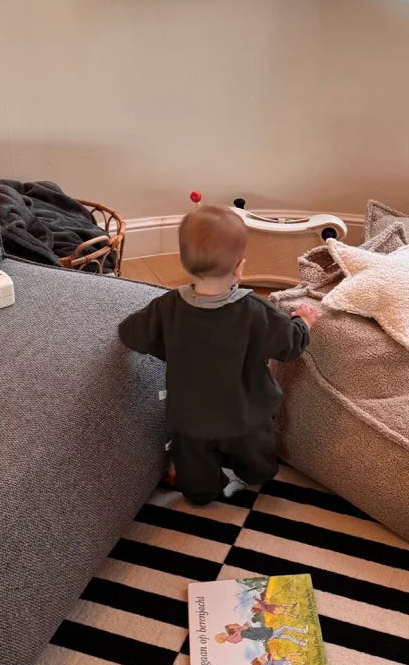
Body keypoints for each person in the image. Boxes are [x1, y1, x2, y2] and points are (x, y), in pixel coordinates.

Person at [118, 204, 318, 504]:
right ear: (240, 266)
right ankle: (254, 475)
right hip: (247, 416)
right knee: (257, 460)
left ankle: (201, 490)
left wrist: (170, 350)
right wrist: (303, 321)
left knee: (194, 472)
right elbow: (290, 345)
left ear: (184, 264)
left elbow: (130, 333)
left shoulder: (167, 307)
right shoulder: (256, 311)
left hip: (190, 419)